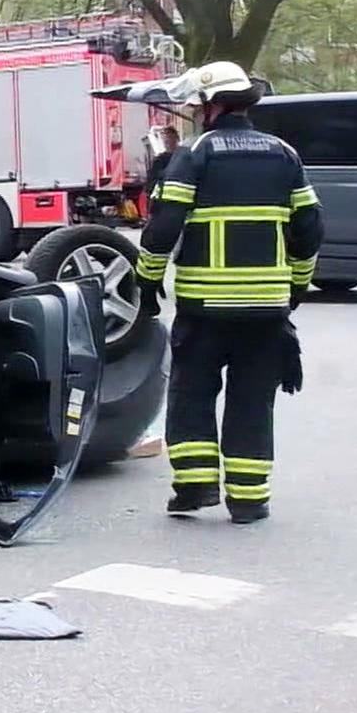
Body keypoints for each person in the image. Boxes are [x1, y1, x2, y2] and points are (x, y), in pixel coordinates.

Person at [135, 62, 323, 524]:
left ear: (207, 104)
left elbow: (163, 229)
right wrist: (295, 285)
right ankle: (249, 498)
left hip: (205, 309)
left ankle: (196, 487)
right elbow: (310, 229)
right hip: (266, 310)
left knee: (192, 394)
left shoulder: (196, 154)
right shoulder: (284, 154)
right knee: (252, 400)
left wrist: (147, 282)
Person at [147, 125, 182, 191]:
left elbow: (151, 183)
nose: (167, 141)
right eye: (166, 138)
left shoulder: (183, 158)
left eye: (170, 137)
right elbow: (152, 182)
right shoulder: (159, 160)